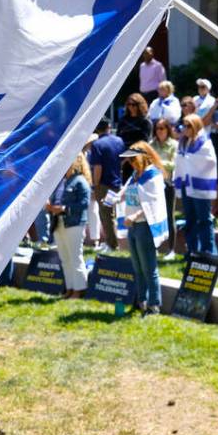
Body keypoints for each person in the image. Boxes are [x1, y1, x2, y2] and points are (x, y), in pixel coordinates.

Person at [120, 142, 170, 314]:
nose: (132, 163)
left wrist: (135, 215)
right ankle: (141, 300)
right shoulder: (135, 174)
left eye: (134, 159)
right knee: (137, 266)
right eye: (130, 161)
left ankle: (154, 304)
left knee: (149, 267)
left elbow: (153, 202)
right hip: (133, 226)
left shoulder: (153, 175)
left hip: (145, 226)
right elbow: (127, 193)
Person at [46, 154, 92, 299]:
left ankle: (79, 291)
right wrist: (50, 205)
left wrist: (64, 209)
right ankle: (70, 288)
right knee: (65, 258)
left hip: (74, 223)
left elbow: (85, 203)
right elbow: (56, 199)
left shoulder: (80, 181)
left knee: (75, 257)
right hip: (58, 223)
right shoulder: (61, 181)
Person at [174, 114, 218, 257]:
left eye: (188, 126)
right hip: (187, 185)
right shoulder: (183, 142)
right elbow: (179, 161)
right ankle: (191, 250)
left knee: (204, 219)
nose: (184, 129)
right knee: (190, 219)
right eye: (183, 125)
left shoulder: (204, 142)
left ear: (195, 126)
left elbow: (210, 161)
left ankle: (206, 251)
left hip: (200, 187)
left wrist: (189, 159)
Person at [88, 117, 125, 252]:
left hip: (103, 184)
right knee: (109, 214)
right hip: (116, 182)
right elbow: (123, 159)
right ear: (109, 126)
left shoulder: (97, 144)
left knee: (106, 214)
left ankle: (112, 245)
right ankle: (109, 241)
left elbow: (98, 167)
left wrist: (95, 185)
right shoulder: (119, 141)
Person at [150, 118, 179, 259]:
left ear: (168, 129)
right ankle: (154, 247)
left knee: (169, 215)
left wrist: (157, 162)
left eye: (162, 128)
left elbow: (173, 164)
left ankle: (171, 249)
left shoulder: (174, 144)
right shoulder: (151, 144)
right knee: (153, 215)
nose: (160, 131)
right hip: (153, 185)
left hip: (168, 184)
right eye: (157, 128)